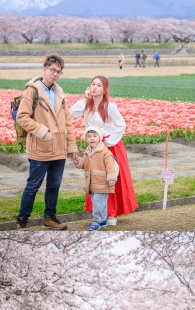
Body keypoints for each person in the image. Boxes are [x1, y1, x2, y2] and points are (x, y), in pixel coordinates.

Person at [15, 54, 79, 231]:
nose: (55, 74)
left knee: (54, 186)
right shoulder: (33, 91)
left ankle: (50, 218)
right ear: (44, 69)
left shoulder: (59, 93)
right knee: (33, 186)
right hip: (41, 147)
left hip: (59, 148)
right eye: (52, 70)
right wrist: (42, 131)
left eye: (59, 72)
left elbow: (67, 123)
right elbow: (22, 117)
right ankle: (22, 219)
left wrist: (72, 147)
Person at [70, 76, 138, 226]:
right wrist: (84, 98)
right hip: (93, 146)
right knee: (96, 178)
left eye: (98, 85)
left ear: (104, 89)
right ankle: (100, 213)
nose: (94, 87)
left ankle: (112, 213)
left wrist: (108, 142)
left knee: (111, 178)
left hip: (110, 145)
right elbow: (72, 113)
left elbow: (121, 125)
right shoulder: (86, 105)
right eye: (92, 84)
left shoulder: (109, 106)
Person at [72, 127, 119, 231]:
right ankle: (103, 221)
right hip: (92, 183)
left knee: (98, 203)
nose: (92, 138)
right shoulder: (88, 151)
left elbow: (110, 166)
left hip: (103, 183)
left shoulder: (105, 152)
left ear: (100, 138)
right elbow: (85, 164)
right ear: (85, 139)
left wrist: (111, 178)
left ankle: (96, 221)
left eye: (94, 136)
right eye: (89, 136)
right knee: (99, 202)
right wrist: (78, 162)